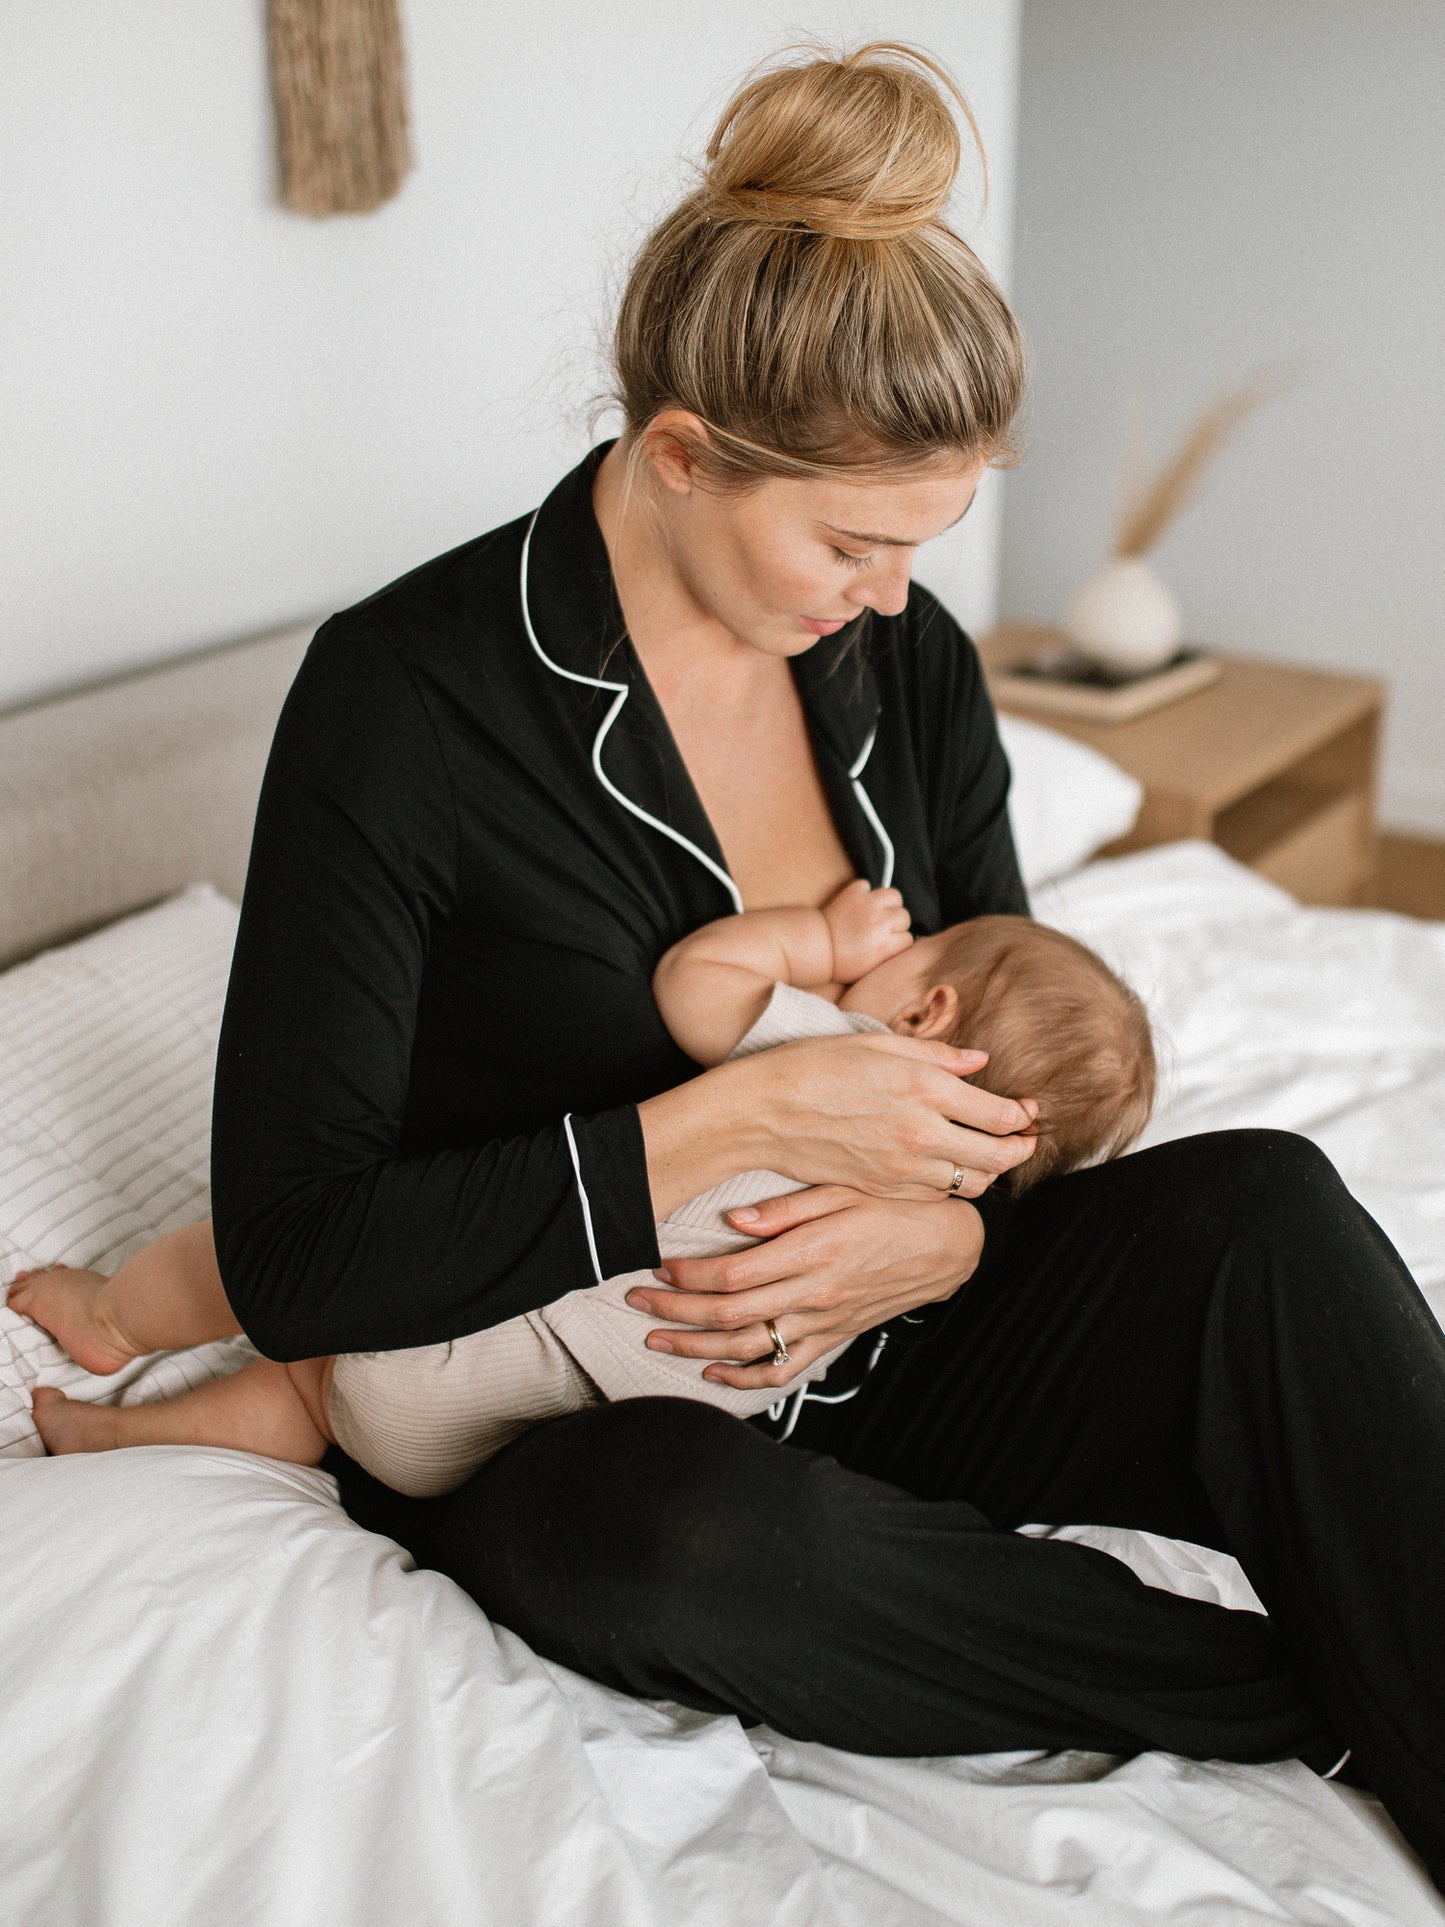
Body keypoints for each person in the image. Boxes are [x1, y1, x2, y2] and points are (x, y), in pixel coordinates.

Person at [45, 40, 1445, 1880]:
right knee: (668, 1549)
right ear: (684, 455)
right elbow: (301, 1248)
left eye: (916, 547)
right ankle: (1290, 1688)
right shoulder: (406, 705)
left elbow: (997, 1046)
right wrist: (731, 1126)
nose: (891, 596)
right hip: (590, 1388)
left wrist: (939, 1229)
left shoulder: (906, 664)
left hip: (910, 1327)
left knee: (1269, 1208)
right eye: (854, 542)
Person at [14, 888, 1156, 1495]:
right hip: (493, 1442)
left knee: (291, 1264)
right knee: (314, 1395)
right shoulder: (924, 1207)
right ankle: (129, 1445)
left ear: (926, 1017)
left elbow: (694, 983)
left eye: (926, 947)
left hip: (449, 1337)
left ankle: (112, 1320)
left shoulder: (850, 1062)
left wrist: (815, 937)